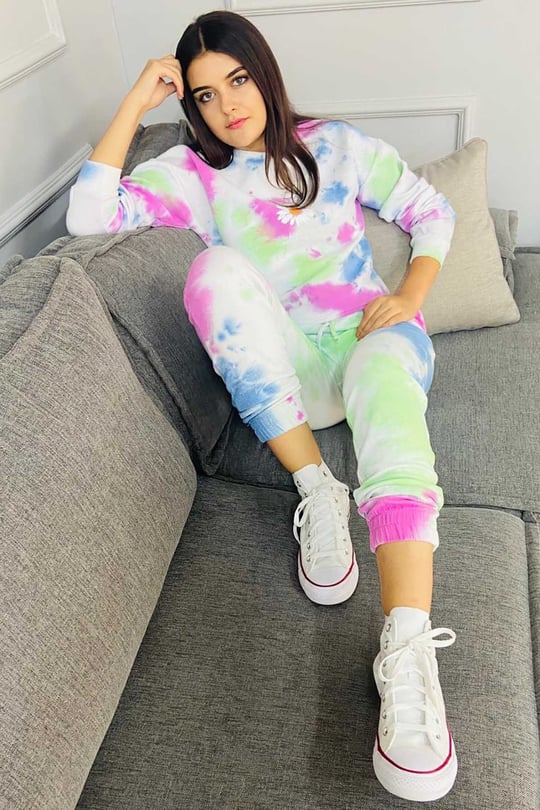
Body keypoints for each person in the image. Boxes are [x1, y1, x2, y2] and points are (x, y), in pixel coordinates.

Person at [66, 9, 458, 802]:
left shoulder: (336, 145)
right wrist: (137, 99)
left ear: (264, 73)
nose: (227, 106)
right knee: (211, 272)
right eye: (205, 95)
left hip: (374, 343)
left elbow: (431, 212)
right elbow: (87, 218)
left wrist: (410, 296)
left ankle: (409, 645)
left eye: (238, 80)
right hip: (295, 377)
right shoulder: (193, 173)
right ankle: (318, 489)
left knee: (387, 392)